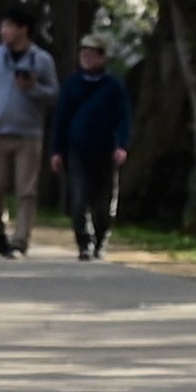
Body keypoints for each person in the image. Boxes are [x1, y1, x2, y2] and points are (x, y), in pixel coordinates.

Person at [0, 9, 61, 258]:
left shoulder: (41, 60)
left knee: (27, 190)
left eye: (9, 26)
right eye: (3, 26)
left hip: (28, 135)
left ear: (24, 29)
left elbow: (53, 95)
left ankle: (21, 240)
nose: (4, 32)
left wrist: (32, 87)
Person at [56, 38, 136, 261]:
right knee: (79, 199)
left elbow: (123, 119)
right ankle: (84, 243)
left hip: (105, 151)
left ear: (102, 57)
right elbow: (61, 119)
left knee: (104, 202)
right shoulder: (72, 85)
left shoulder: (114, 87)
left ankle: (101, 240)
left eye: (92, 54)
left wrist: (121, 145)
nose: (87, 58)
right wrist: (57, 150)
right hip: (78, 151)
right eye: (84, 53)